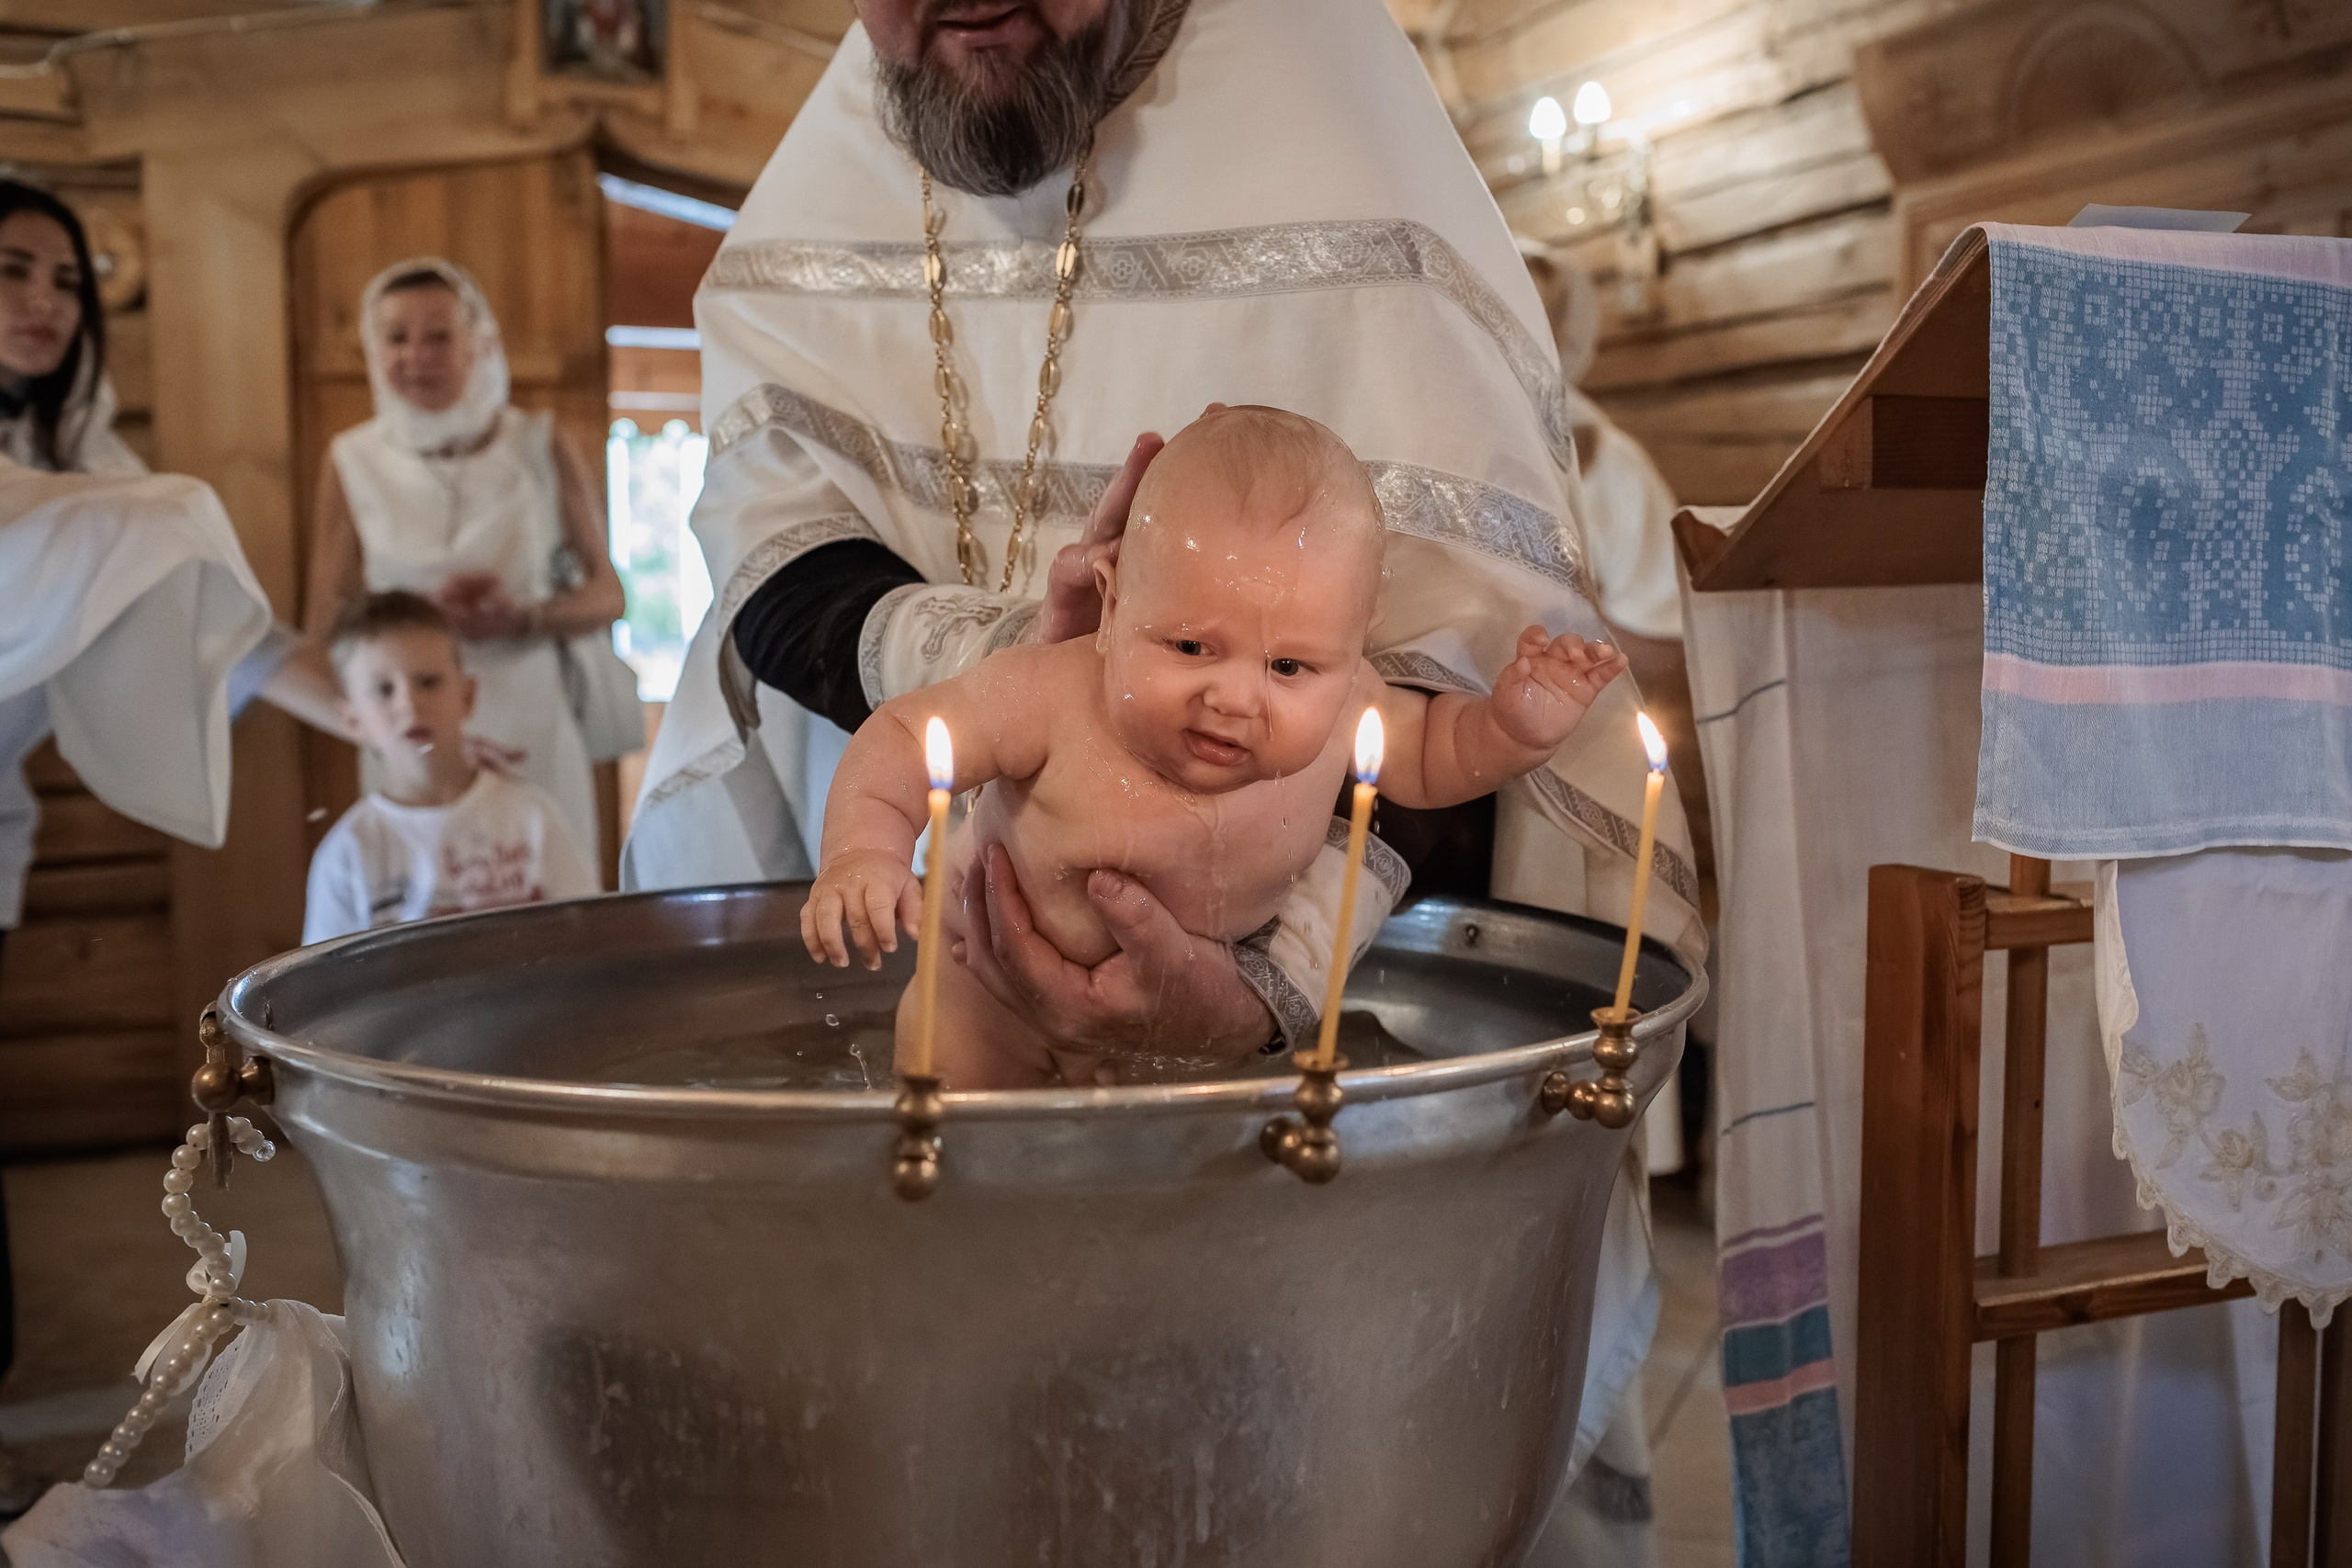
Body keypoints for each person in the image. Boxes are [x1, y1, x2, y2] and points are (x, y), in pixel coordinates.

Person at [628, 0, 1702, 1541]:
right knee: (931, 1383)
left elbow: (1438, 722)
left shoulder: (1350, 169)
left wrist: (1262, 986)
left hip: (1299, 1035)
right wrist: (1023, 672)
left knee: (1261, 1477)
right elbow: (773, 558)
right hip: (939, 959)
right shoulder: (835, 184)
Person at [805, 407, 1627, 1087]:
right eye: (1191, 647)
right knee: (955, 1178)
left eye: (1288, 664)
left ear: (1354, 643)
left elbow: (1432, 756)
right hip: (981, 1012)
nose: (1234, 697)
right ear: (1113, 597)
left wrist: (1512, 728)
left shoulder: (1346, 706)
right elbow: (911, 734)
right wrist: (863, 851)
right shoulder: (1050, 692)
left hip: (1165, 1048)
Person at [0, 178, 348, 1518]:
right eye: (12, 270)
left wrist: (384, 703)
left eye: (65, 279)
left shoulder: (78, 459)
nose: (43, 302)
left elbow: (218, 637)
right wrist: (165, 516)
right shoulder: (89, 499)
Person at [305, 256, 623, 868]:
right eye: (396, 338)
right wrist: (415, 624)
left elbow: (609, 595)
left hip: (528, 704)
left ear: (478, 343)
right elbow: (326, 620)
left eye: (438, 335)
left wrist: (523, 618)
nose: (416, 354)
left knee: (538, 879)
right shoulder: (352, 458)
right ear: (375, 350)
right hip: (407, 715)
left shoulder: (539, 441)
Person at [303, 592, 595, 943]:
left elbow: (586, 938)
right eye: (383, 690)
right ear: (352, 721)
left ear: (467, 696)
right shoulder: (349, 852)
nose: (409, 705)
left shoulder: (532, 817)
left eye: (428, 682)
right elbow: (326, 988)